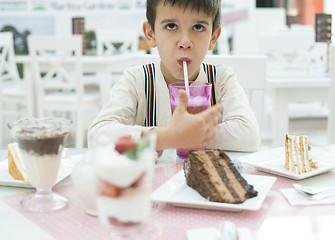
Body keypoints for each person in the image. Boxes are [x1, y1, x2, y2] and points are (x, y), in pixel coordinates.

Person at [88, 0, 260, 154]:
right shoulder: (137, 80)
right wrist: (166, 137)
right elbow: (97, 134)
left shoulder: (221, 79)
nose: (185, 42)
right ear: (150, 34)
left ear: (213, 37)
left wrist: (188, 136)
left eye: (198, 27)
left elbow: (249, 135)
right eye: (171, 26)